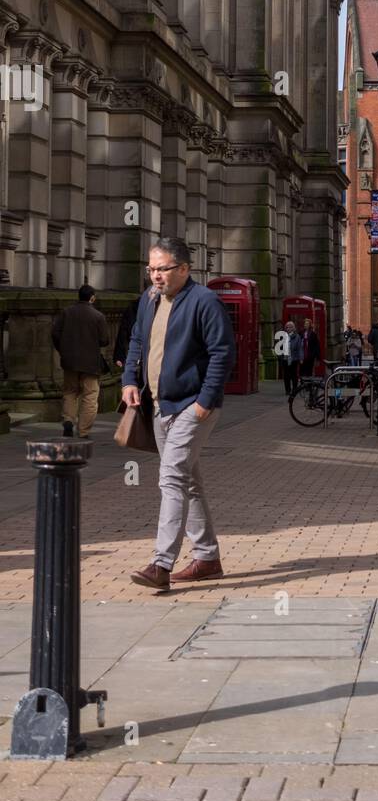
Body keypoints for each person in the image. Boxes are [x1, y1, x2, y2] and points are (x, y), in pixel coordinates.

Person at [123, 237, 235, 589]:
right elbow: (137, 341)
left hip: (192, 405)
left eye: (162, 269)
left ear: (184, 269)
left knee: (170, 478)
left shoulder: (205, 302)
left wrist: (206, 400)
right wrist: (129, 379)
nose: (155, 276)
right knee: (188, 481)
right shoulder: (149, 299)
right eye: (151, 269)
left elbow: (222, 353)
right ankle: (207, 558)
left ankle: (161, 564)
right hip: (159, 404)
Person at [52, 285, 110, 439]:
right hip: (90, 363)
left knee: (70, 392)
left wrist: (63, 350)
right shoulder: (98, 316)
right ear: (92, 297)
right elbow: (104, 340)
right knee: (90, 396)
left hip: (70, 361)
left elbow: (55, 334)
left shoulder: (66, 312)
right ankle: (83, 430)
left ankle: (68, 420)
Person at [276, 319, 302, 399]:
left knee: (294, 375)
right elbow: (278, 348)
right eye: (287, 327)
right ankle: (287, 390)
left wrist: (300, 358)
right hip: (285, 358)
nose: (288, 328)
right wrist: (280, 357)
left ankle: (294, 389)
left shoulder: (297, 337)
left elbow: (299, 348)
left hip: (294, 359)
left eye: (290, 327)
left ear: (293, 328)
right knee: (286, 375)